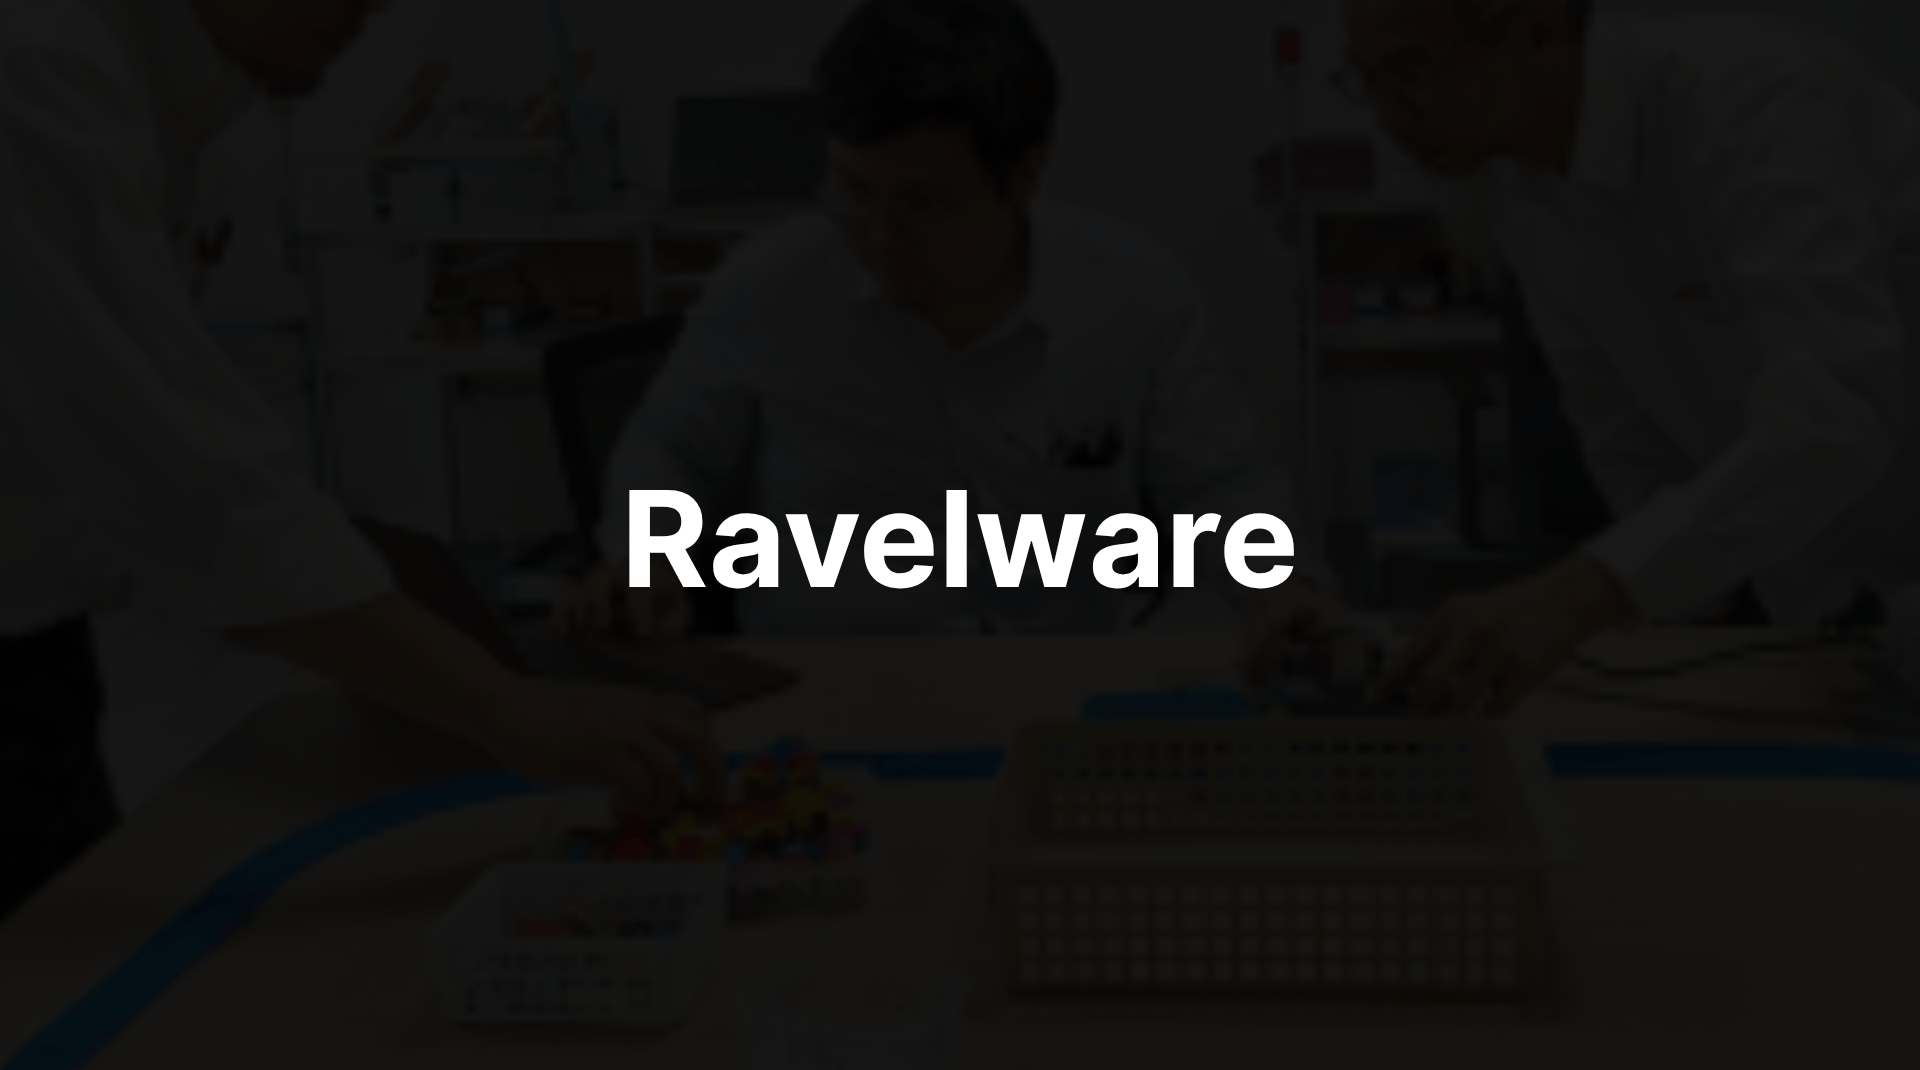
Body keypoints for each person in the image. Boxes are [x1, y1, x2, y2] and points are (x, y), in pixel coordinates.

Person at [0, 0, 722, 918]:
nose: (364, 15)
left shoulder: (182, 98)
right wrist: (505, 707)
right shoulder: (37, 69)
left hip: (44, 645)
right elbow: (196, 491)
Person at [558, 0, 1342, 661]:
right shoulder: (770, 288)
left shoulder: (1132, 295)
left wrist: (1279, 588)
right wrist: (646, 558)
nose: (879, 237)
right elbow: (671, 448)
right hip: (825, 693)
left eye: (922, 205)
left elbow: (1221, 484)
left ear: (1024, 175)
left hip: (1053, 687)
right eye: (854, 191)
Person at [1339, 0, 1920, 717]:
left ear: (1541, 23)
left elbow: (1837, 414)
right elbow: (1627, 441)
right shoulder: (1519, 191)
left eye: (1412, 71)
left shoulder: (1753, 96)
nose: (1390, 116)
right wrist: (1673, 620)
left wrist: (1576, 596)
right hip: (1838, 606)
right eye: (1368, 80)